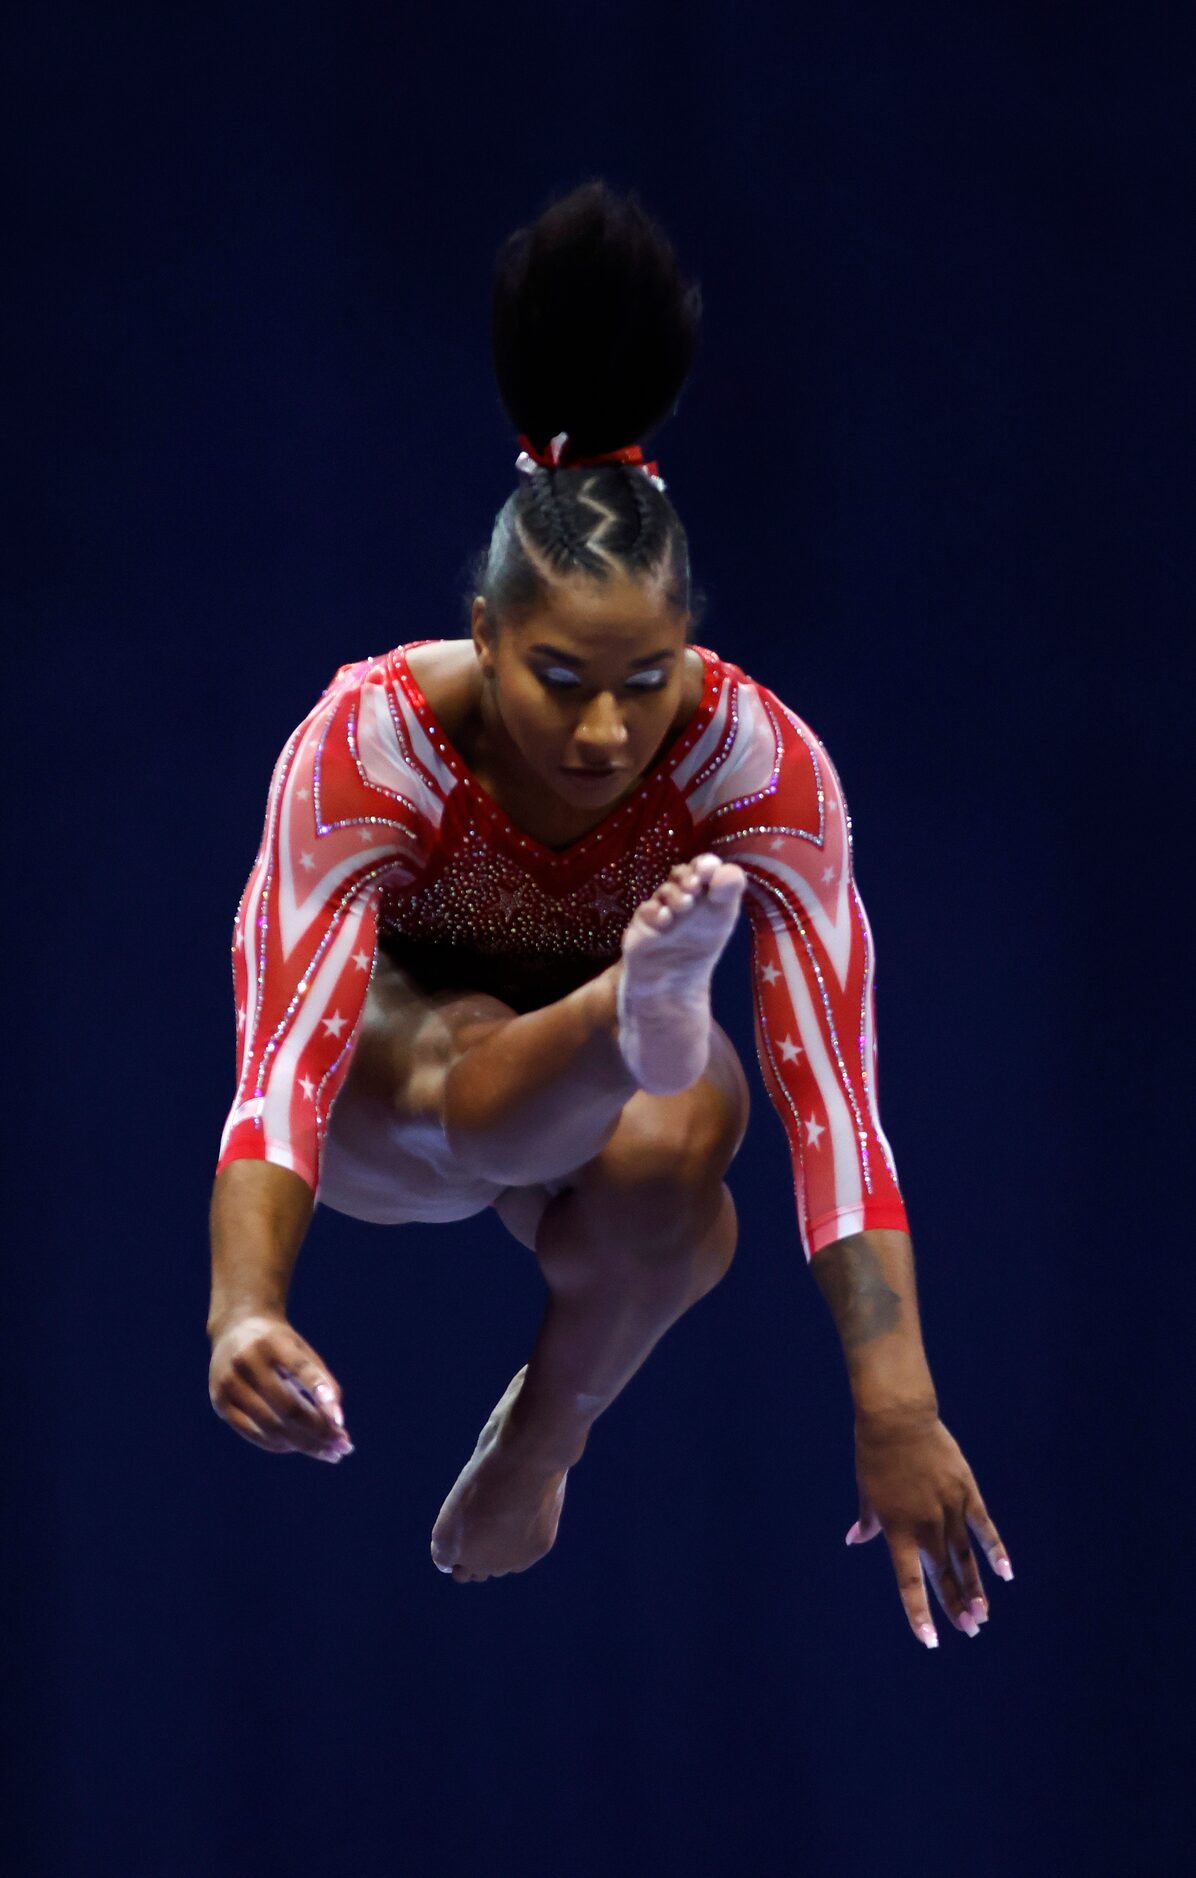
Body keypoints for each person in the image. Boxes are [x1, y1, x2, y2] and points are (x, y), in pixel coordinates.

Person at [207, 179, 1013, 1644]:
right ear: (487, 636)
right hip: (411, 1107)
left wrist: (898, 1403)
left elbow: (835, 1098)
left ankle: (548, 1422)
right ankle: (620, 1011)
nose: (604, 733)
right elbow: (285, 1061)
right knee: (481, 1045)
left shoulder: (760, 765)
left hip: (601, 1148)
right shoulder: (370, 741)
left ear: (688, 647)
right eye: (559, 683)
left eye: (646, 683)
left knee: (690, 1148)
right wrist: (244, 1305)